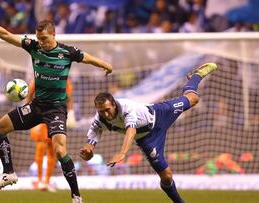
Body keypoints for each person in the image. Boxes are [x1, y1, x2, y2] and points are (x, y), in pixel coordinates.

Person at [0, 6, 113, 203]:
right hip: (36, 106)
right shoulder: (33, 46)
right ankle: (9, 173)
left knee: (59, 151)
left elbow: (88, 58)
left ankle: (76, 195)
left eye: (45, 39)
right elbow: (7, 35)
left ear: (54, 35)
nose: (42, 43)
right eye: (39, 39)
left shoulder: (66, 52)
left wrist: (105, 65)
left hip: (56, 109)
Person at [80, 63, 217, 203]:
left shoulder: (126, 108)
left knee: (193, 99)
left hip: (160, 114)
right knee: (166, 176)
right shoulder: (100, 119)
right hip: (147, 140)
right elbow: (93, 137)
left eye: (107, 109)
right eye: (101, 111)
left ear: (114, 104)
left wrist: (122, 153)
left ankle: (195, 77)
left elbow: (131, 130)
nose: (105, 114)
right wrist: (89, 150)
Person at [27, 79, 75, 192]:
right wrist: (28, 110)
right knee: (41, 146)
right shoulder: (40, 74)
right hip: (40, 115)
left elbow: (69, 97)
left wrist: (71, 113)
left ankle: (46, 182)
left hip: (56, 116)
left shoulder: (65, 79)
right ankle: (39, 180)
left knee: (53, 150)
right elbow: (30, 92)